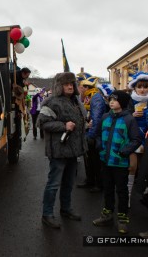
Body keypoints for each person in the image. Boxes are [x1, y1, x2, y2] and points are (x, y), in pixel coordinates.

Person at [37, 72, 87, 229]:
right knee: (53, 184)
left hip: (73, 151)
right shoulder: (51, 102)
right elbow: (42, 123)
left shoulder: (76, 101)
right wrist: (63, 126)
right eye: (66, 84)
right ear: (59, 86)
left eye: (72, 83)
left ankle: (66, 209)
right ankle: (47, 214)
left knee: (69, 182)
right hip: (59, 151)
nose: (70, 86)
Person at [93, 91, 141, 234]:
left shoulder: (129, 120)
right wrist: (99, 145)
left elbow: (136, 139)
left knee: (121, 191)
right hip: (105, 161)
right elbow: (98, 134)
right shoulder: (105, 117)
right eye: (110, 99)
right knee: (107, 189)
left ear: (123, 103)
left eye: (115, 100)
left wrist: (124, 151)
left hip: (120, 163)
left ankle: (122, 219)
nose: (111, 102)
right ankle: (107, 216)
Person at [127, 72, 148, 207]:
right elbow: (120, 117)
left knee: (143, 168)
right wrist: (132, 115)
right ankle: (127, 196)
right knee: (132, 166)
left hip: (146, 139)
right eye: (139, 87)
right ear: (134, 88)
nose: (142, 89)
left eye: (145, 87)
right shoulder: (129, 101)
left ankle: (144, 192)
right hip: (133, 137)